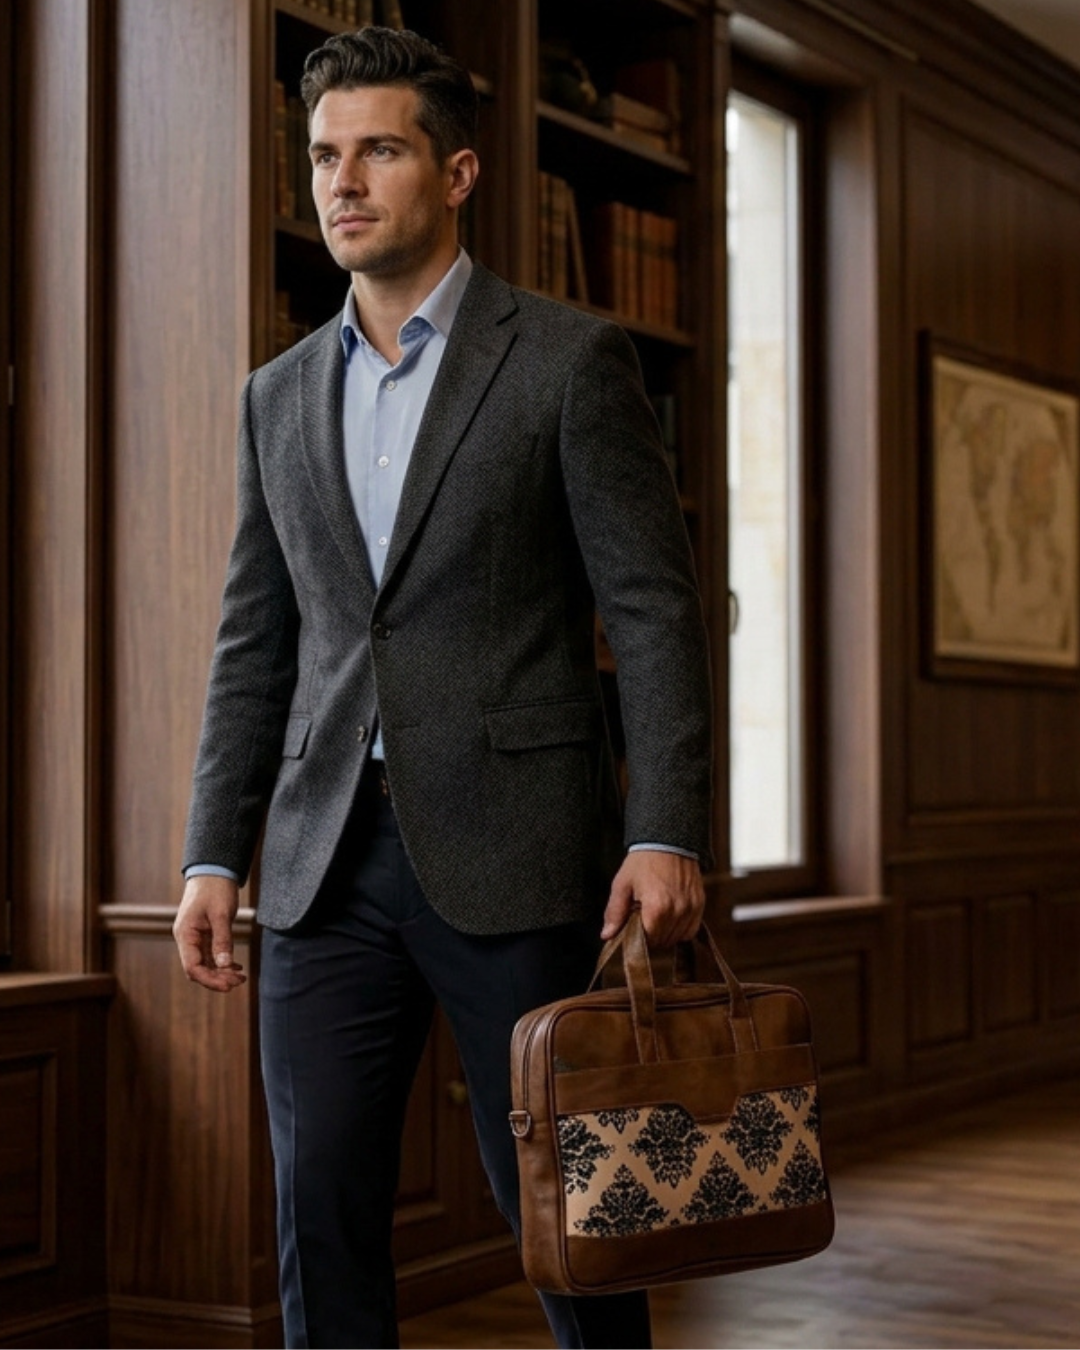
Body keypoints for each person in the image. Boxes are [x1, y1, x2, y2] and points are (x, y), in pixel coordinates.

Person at [173, 25, 713, 1350]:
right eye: (321, 155)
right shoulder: (275, 398)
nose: (341, 181)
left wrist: (666, 830)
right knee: (321, 1215)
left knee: (577, 1221)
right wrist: (209, 853)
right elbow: (258, 640)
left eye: (378, 150)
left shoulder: (568, 365)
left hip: (521, 858)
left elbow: (650, 607)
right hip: (317, 870)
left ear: (459, 171)